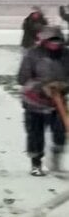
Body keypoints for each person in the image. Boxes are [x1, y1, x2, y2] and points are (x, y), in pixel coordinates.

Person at [18, 26, 69, 176]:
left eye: (58, 41)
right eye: (51, 41)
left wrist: (64, 85)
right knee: (35, 133)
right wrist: (42, 87)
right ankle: (36, 163)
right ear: (44, 41)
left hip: (58, 101)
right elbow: (22, 79)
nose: (55, 44)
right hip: (34, 102)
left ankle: (56, 159)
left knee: (60, 132)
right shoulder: (33, 55)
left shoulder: (66, 55)